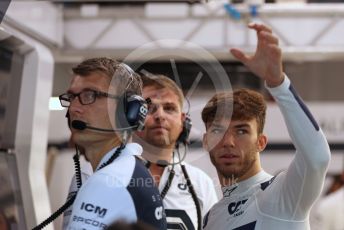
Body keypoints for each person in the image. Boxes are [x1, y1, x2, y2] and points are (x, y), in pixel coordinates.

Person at [201, 23, 331, 230]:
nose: (228, 142)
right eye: (217, 131)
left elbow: (317, 157)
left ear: (261, 142)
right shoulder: (211, 218)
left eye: (242, 131)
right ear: (206, 141)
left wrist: (278, 84)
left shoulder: (281, 194)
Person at [57, 57, 166, 229]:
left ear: (127, 111)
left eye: (90, 95)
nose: (73, 108)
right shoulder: (129, 170)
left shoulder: (109, 180)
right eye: (71, 97)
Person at [134, 74, 218, 230]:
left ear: (183, 122)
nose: (160, 115)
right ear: (133, 117)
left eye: (169, 108)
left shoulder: (201, 183)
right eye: (149, 108)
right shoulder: (106, 174)